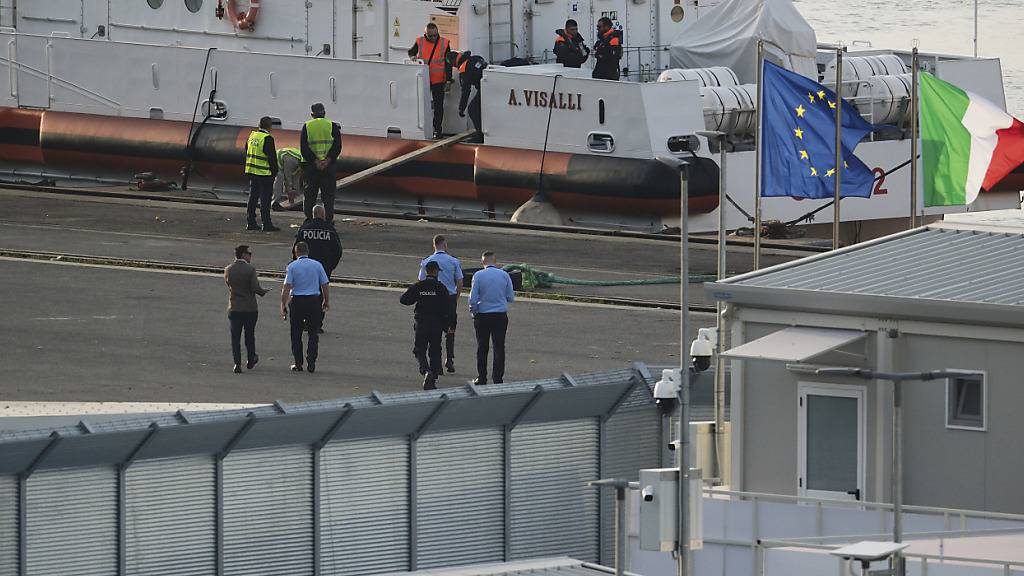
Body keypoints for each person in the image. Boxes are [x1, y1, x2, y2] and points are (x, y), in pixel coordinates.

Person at [400, 260, 451, 390]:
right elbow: (447, 309)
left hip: (421, 322)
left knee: (419, 349)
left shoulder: (419, 286)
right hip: (436, 323)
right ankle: (432, 377)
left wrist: (418, 297)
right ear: (436, 272)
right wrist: (448, 326)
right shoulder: (441, 287)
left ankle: (425, 370)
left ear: (426, 271)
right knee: (435, 349)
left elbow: (404, 300)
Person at [281, 241, 330, 373]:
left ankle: (298, 363)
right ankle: (311, 359)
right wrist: (326, 300)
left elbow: (287, 287)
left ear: (295, 252)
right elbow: (325, 283)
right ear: (308, 252)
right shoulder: (317, 265)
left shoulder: (292, 266)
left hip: (297, 301)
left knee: (295, 333)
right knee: (313, 332)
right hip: (313, 301)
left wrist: (283, 304)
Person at [467, 251, 514, 385]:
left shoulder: (478, 275)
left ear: (483, 262)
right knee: (499, 347)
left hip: (483, 315)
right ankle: (498, 378)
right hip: (500, 315)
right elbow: (511, 297)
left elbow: (473, 299)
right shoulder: (504, 275)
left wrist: (474, 312)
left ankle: (482, 377)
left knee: (482, 347)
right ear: (495, 261)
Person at [419, 234, 463, 373]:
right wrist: (456, 297)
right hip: (449, 298)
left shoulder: (427, 261)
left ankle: (435, 362)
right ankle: (449, 359)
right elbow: (460, 281)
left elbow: (421, 280)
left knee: (435, 329)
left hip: (433, 298)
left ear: (434, 245)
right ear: (445, 245)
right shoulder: (453, 261)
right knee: (450, 330)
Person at [224, 244, 269, 373]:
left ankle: (237, 363)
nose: (250, 256)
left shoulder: (228, 269)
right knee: (249, 335)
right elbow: (255, 288)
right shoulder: (250, 270)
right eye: (249, 254)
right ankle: (250, 358)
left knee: (235, 337)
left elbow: (228, 284)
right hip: (250, 308)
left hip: (234, 307)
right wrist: (263, 292)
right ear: (243, 254)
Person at [408, 23, 453, 139]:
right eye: (430, 36)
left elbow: (448, 64)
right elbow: (411, 52)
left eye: (435, 35)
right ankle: (421, 129)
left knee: (438, 106)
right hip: (424, 79)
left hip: (438, 80)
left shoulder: (445, 43)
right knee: (421, 105)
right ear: (426, 34)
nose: (433, 38)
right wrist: (412, 57)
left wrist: (448, 80)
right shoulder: (420, 41)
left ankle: (438, 130)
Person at [300, 102, 343, 222]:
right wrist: (327, 161)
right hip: (328, 167)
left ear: (311, 114)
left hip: (311, 168)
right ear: (324, 113)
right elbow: (337, 146)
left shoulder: (307, 126)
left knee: (309, 197)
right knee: (328, 197)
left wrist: (315, 162)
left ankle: (309, 221)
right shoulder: (332, 125)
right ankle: (328, 222)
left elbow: (304, 148)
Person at [244, 116, 280, 232]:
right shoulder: (267, 138)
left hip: (252, 171)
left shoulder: (252, 136)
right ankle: (266, 223)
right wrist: (274, 173)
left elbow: (246, 151)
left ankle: (251, 222)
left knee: (253, 197)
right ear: (269, 127)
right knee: (265, 200)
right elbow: (272, 158)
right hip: (264, 173)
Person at [451, 51, 487, 136]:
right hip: (489, 84)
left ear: (453, 62)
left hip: (485, 87)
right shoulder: (474, 58)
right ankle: (482, 132)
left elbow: (466, 91)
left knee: (472, 109)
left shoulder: (464, 69)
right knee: (479, 109)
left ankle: (480, 135)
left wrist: (461, 108)